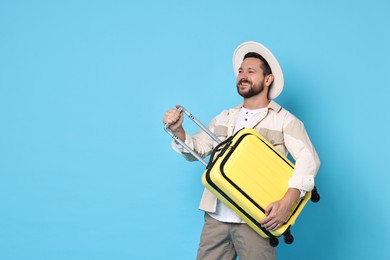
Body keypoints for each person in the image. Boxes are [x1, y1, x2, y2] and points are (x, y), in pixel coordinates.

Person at [163, 41, 320, 260]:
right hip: (216, 217)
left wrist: (288, 202)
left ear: (268, 79)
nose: (243, 76)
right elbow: (196, 150)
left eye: (251, 71)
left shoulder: (285, 121)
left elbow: (309, 160)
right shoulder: (225, 117)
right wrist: (179, 130)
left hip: (257, 219)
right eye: (240, 71)